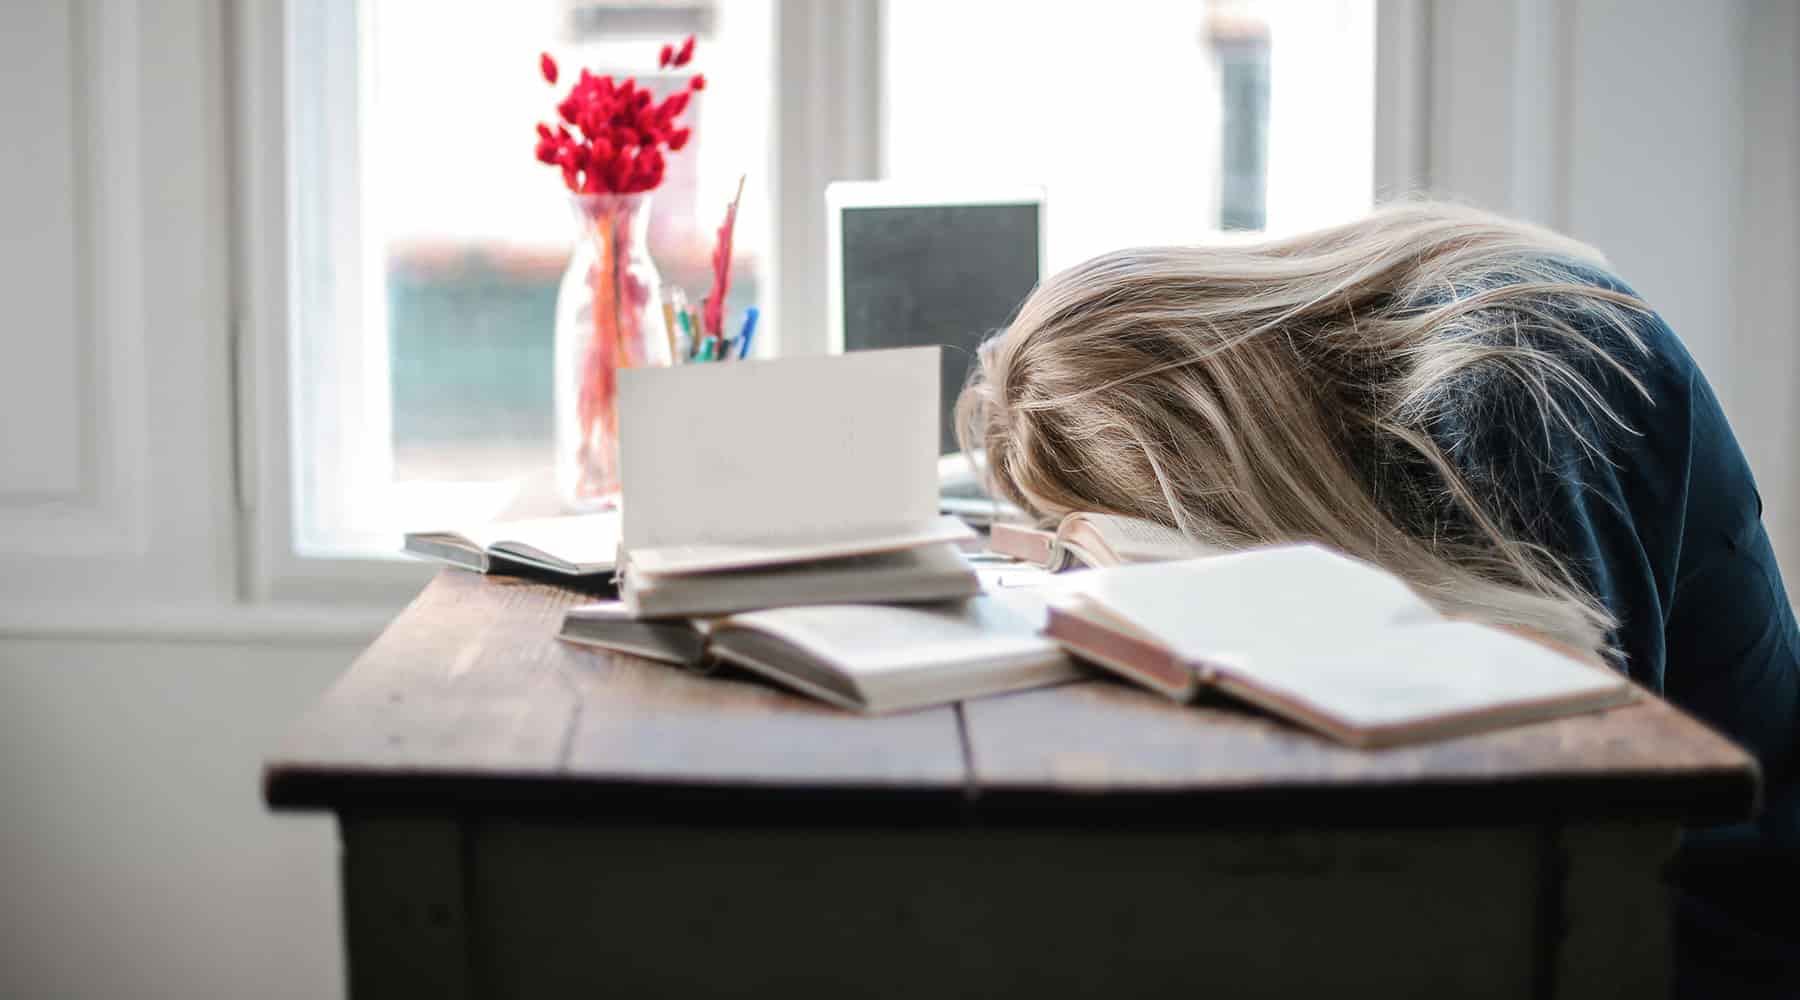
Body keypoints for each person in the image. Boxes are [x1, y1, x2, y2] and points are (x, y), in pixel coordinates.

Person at [956, 201, 1799, 993]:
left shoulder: (1510, 382)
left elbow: (1565, 809)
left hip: (1713, 924)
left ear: (1210, 461)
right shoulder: (1402, 352)